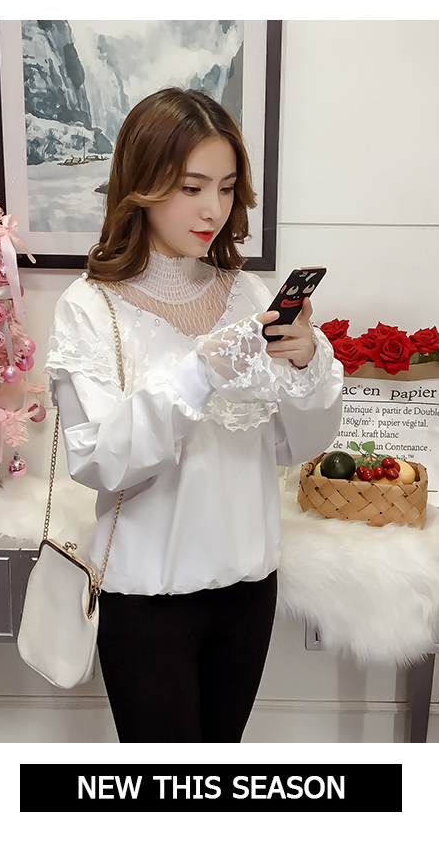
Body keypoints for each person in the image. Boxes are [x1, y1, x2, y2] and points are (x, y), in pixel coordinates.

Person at [43, 87, 344, 743]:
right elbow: (100, 462)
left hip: (249, 590)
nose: (214, 209)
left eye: (228, 188)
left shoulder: (249, 295)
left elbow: (295, 446)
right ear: (142, 185)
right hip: (146, 600)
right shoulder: (90, 308)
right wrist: (199, 372)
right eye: (192, 187)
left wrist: (305, 364)